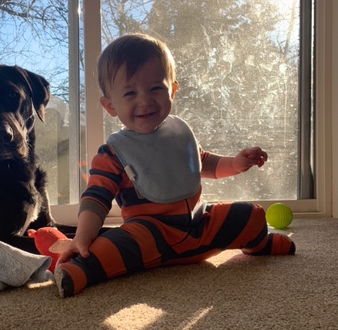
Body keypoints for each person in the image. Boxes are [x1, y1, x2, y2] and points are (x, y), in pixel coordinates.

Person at [54, 33, 295, 297]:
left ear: (173, 90)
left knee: (251, 214)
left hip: (201, 225)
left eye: (155, 88)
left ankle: (259, 245)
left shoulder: (178, 135)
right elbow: (95, 199)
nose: (145, 100)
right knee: (110, 245)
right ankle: (81, 270)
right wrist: (83, 236)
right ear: (110, 106)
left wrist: (236, 163)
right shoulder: (113, 152)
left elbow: (205, 163)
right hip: (150, 235)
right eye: (131, 93)